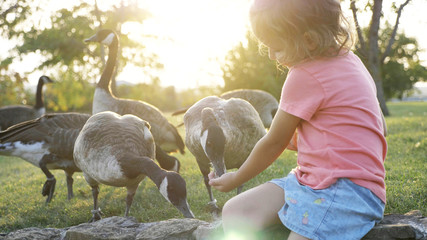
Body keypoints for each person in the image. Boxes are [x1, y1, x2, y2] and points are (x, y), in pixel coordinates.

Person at [208, 0, 388, 239]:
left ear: (309, 39)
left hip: (346, 192)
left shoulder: (303, 74)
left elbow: (274, 142)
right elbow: (378, 127)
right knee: (237, 211)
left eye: (277, 47)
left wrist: (235, 178)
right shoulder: (352, 61)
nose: (271, 55)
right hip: (311, 181)